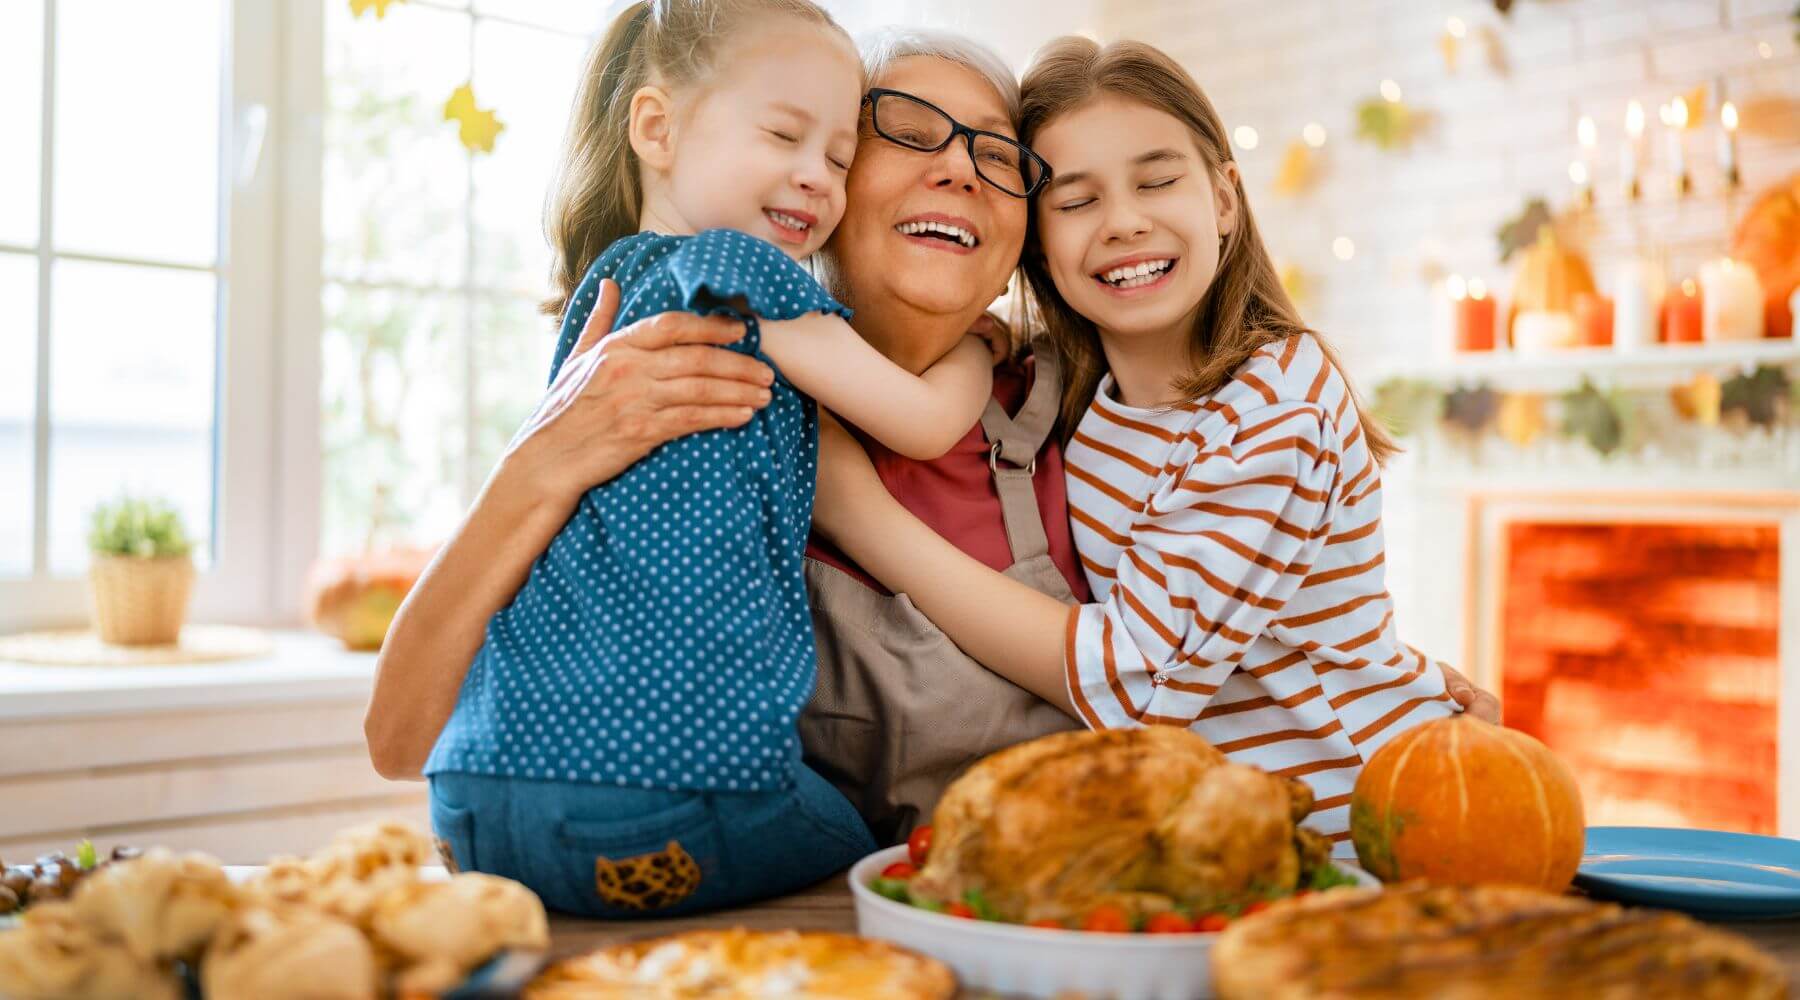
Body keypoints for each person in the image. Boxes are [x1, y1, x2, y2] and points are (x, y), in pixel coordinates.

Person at [811, 37, 1468, 853]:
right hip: (1210, 848)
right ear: (1038, 246)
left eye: (1157, 181)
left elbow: (1132, 681)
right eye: (1077, 201)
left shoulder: (1276, 401)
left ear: (1225, 197)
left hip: (1358, 837)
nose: (1125, 222)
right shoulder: (1071, 391)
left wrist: (856, 514)